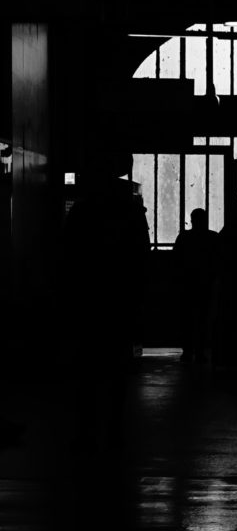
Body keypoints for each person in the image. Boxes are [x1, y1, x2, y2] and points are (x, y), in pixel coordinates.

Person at [61, 149, 151, 448]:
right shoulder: (131, 209)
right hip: (119, 297)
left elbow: (69, 255)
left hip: (88, 298)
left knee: (87, 365)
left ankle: (86, 425)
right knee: (116, 365)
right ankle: (112, 425)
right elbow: (140, 254)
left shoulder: (83, 210)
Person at [172, 208, 222, 363]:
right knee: (202, 319)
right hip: (205, 284)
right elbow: (218, 261)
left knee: (187, 319)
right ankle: (200, 351)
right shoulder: (213, 238)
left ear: (192, 220)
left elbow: (176, 261)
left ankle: (188, 351)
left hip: (188, 284)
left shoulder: (184, 238)